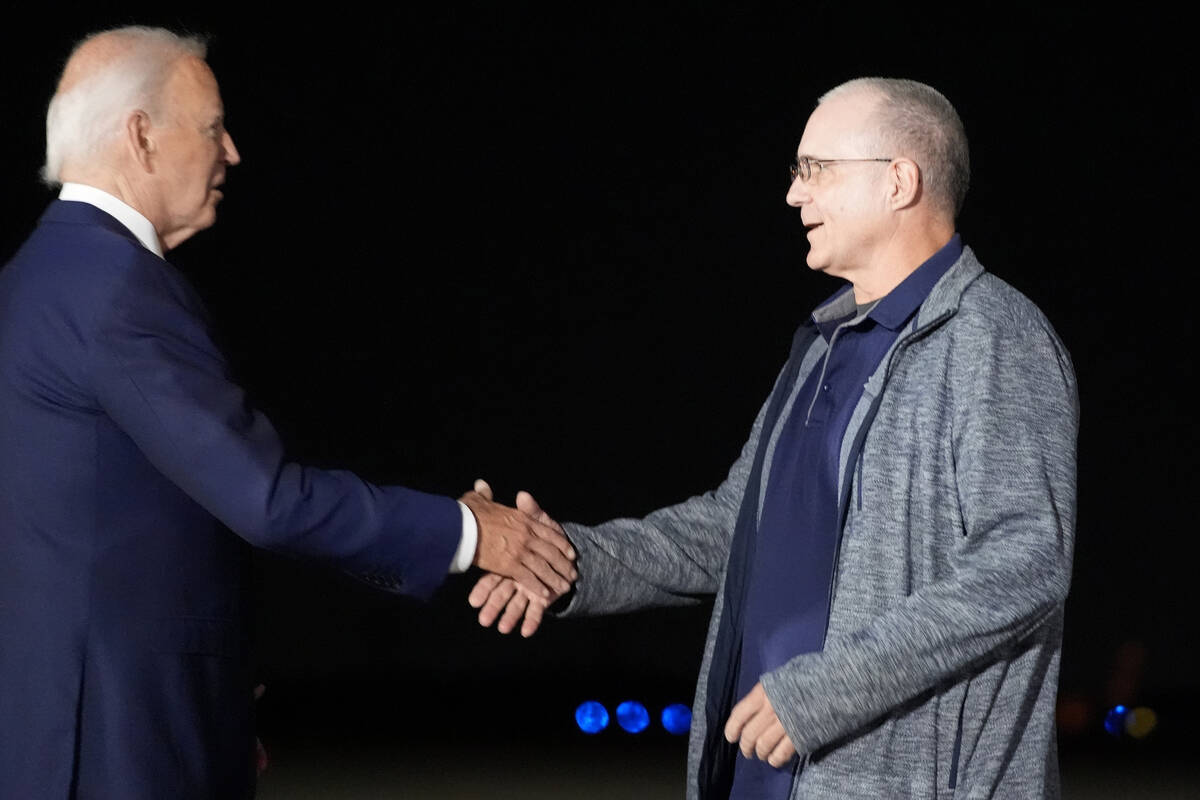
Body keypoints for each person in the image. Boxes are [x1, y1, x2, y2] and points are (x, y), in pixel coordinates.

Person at [0, 26, 575, 799]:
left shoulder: (36, 275)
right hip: (120, 742)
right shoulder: (113, 288)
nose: (231, 152)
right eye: (211, 129)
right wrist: (474, 533)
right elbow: (266, 498)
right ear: (141, 136)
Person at [467, 77, 1079, 798]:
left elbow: (1024, 562)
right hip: (758, 773)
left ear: (899, 181)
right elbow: (734, 528)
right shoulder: (820, 347)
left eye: (815, 168)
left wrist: (821, 695)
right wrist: (567, 560)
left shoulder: (993, 336)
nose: (794, 194)